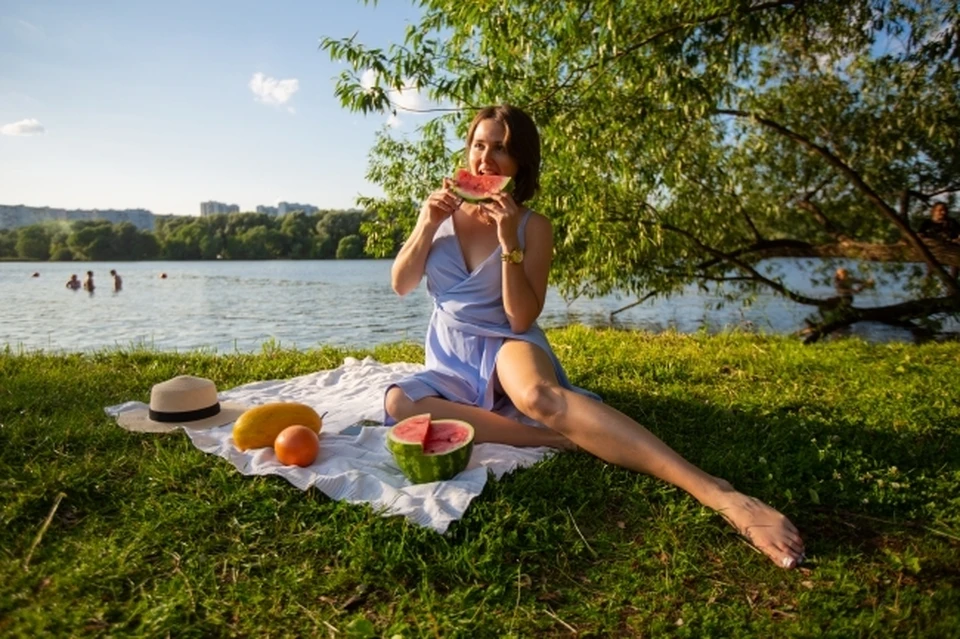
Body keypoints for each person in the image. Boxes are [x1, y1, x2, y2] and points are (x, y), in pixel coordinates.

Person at [383, 104, 805, 569]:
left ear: (521, 160)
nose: (485, 159)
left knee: (542, 397)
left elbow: (520, 318)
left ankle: (718, 493)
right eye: (479, 145)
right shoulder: (438, 214)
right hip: (451, 350)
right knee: (399, 405)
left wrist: (509, 243)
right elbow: (402, 284)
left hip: (507, 339)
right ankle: (553, 439)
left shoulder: (532, 226)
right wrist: (425, 223)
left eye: (500, 148)